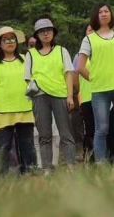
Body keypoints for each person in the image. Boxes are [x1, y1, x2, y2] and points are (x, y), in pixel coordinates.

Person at [76, 4, 114, 162]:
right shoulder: (89, 39)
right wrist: (94, 78)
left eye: (106, 11)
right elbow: (80, 67)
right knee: (101, 129)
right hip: (100, 91)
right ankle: (100, 163)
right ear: (95, 16)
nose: (103, 14)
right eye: (100, 12)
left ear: (111, 14)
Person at [0, 26, 37, 175]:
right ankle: (5, 178)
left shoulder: (26, 59)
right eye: (5, 39)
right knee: (4, 146)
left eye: (12, 39)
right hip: (2, 112)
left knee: (27, 145)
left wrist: (30, 98)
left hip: (25, 109)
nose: (10, 42)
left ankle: (31, 175)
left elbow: (34, 82)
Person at [25, 18, 77, 170]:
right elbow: (27, 78)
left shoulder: (62, 51)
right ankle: (47, 168)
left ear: (53, 32)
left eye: (48, 30)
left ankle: (71, 166)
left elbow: (69, 74)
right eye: (41, 31)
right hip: (39, 96)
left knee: (66, 133)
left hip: (60, 94)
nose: (46, 33)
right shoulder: (31, 54)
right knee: (44, 135)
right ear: (37, 35)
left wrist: (70, 96)